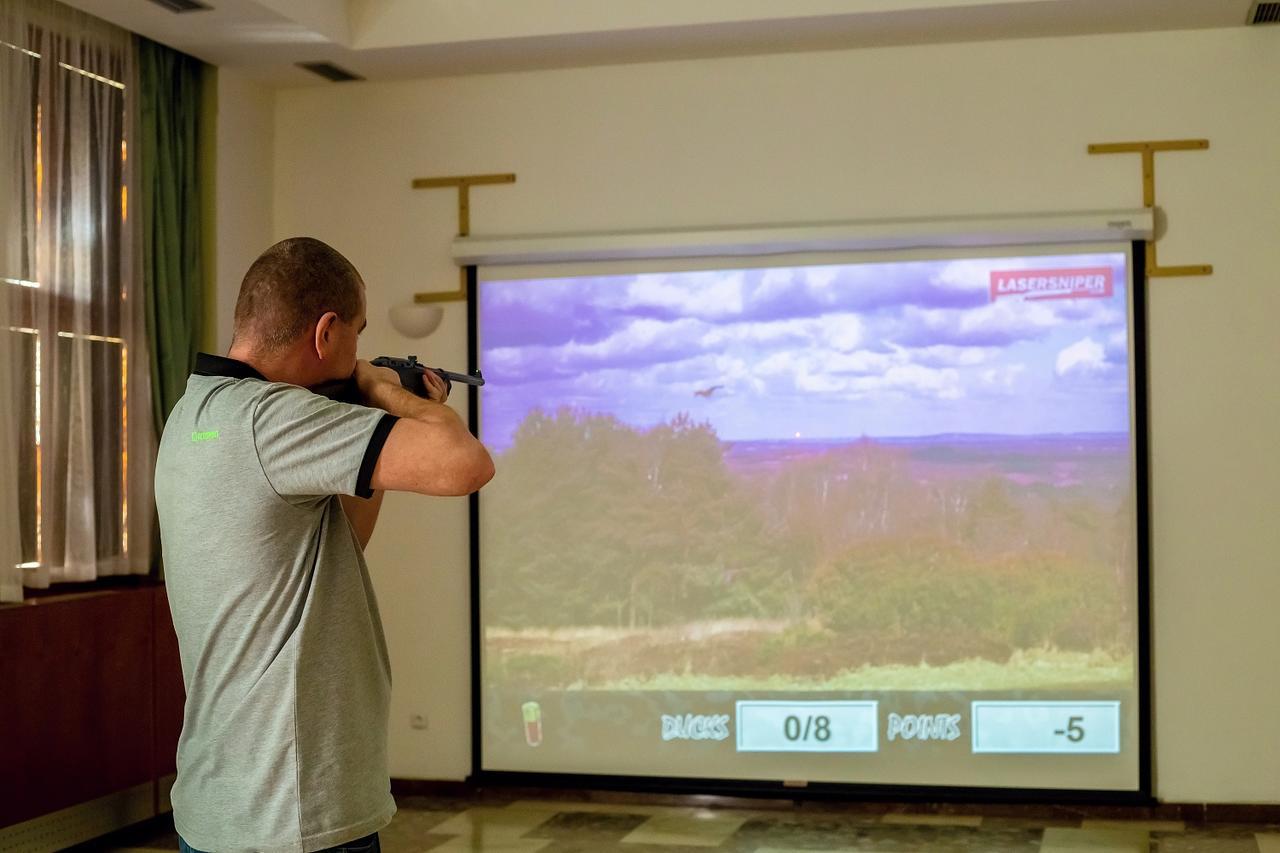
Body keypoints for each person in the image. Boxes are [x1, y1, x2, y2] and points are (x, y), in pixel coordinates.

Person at [154, 237, 494, 853]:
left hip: (229, 805)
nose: (357, 354)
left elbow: (339, 542)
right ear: (326, 332)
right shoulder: (273, 419)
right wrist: (392, 395)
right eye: (357, 337)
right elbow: (464, 463)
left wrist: (364, 422)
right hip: (296, 811)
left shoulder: (195, 414)